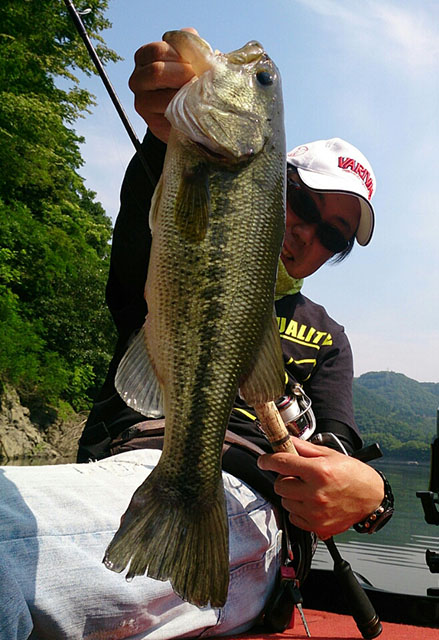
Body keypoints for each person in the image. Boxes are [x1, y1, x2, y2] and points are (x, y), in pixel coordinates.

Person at [0, 29, 393, 640]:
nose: (307, 234)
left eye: (333, 236)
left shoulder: (327, 337)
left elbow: (338, 455)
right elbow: (147, 240)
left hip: (247, 508)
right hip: (124, 467)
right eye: (302, 201)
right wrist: (166, 138)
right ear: (271, 181)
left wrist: (373, 496)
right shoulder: (178, 205)